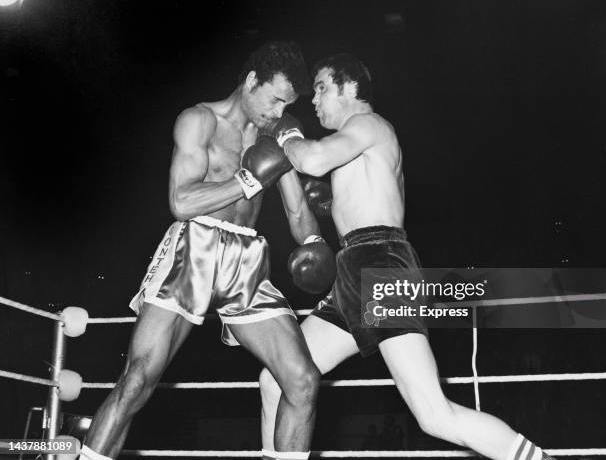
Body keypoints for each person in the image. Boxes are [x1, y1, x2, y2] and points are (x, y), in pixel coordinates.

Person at [259, 53, 554, 460]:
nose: (313, 100)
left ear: (350, 88)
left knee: (434, 415)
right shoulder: (357, 140)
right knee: (278, 379)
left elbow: (311, 159)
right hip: (355, 267)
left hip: (380, 263)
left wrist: (286, 132)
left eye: (322, 87)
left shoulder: (366, 123)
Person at [79, 41, 334, 460]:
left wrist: (315, 243)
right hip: (193, 247)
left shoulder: (277, 134)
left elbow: (297, 211)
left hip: (247, 259)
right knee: (138, 380)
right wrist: (247, 182)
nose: (277, 112)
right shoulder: (199, 121)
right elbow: (180, 202)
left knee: (303, 379)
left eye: (286, 104)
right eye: (274, 99)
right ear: (252, 80)